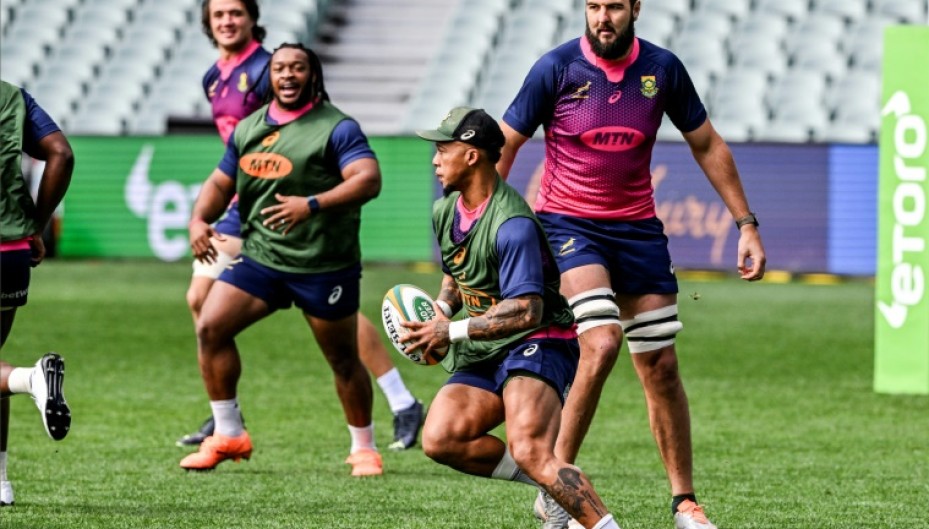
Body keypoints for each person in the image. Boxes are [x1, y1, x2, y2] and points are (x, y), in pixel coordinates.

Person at [495, 2, 768, 528]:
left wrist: (746, 224)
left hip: (638, 229)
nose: (603, 17)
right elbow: (505, 145)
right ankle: (556, 484)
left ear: (635, 8)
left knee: (661, 367)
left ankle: (684, 503)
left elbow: (706, 143)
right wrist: (492, 228)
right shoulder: (555, 68)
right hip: (569, 226)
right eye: (594, 5)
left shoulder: (662, 69)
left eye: (614, 6)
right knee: (600, 341)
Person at [177, 0, 423, 452]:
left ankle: (398, 399)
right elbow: (234, 156)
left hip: (280, 208)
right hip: (246, 203)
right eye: (218, 16)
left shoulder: (269, 69)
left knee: (333, 317)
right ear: (208, 24)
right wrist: (201, 215)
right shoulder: (215, 76)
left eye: (236, 13)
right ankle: (225, 418)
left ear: (253, 19)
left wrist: (308, 200)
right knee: (204, 305)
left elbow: (303, 135)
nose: (228, 22)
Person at [401, 106, 621, 529]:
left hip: (541, 339)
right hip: (486, 344)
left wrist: (452, 330)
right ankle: (550, 487)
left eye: (443, 148)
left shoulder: (512, 224)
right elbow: (456, 269)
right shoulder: (446, 210)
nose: (434, 158)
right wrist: (443, 309)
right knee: (441, 438)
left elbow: (527, 310)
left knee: (532, 449)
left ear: (470, 155)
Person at [0, 79, 75, 505]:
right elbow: (61, 154)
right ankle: (1, 483)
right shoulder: (11, 96)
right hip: (10, 252)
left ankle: (31, 379)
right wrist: (35, 225)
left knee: (8, 374)